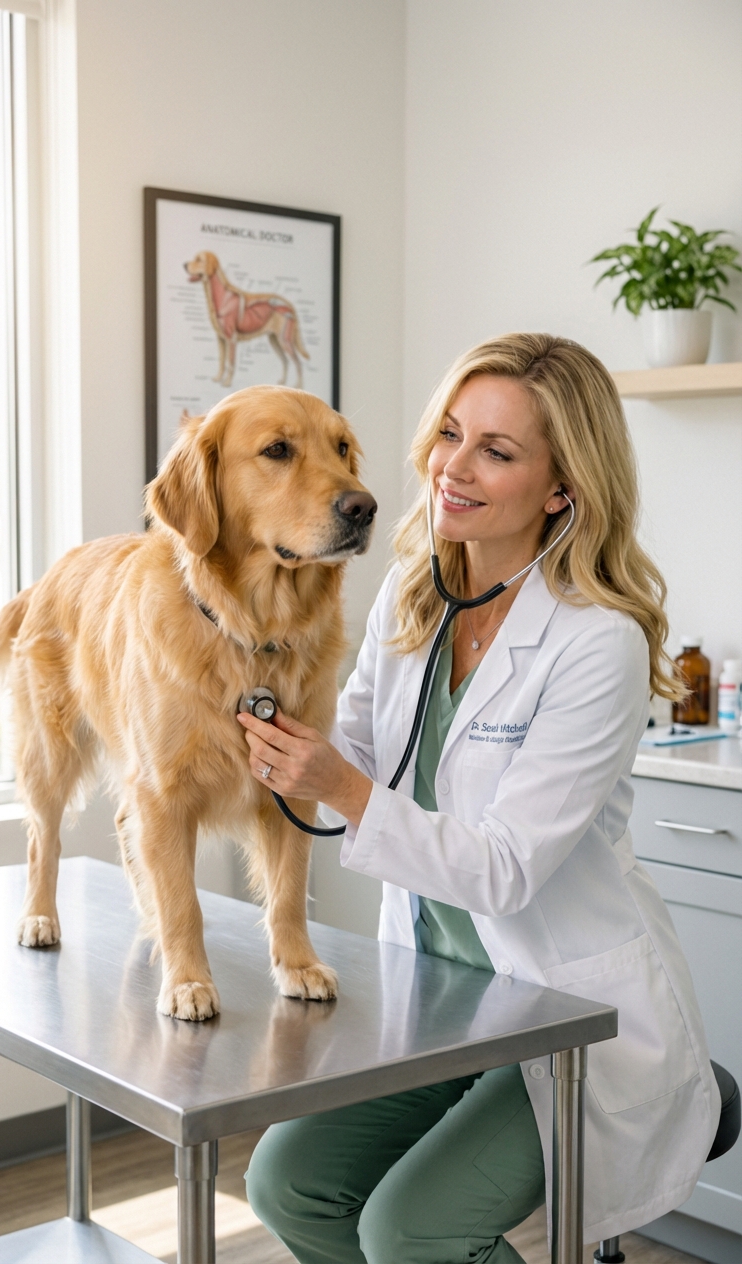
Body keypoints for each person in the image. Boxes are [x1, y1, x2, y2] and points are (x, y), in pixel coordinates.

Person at [236, 333, 719, 1264]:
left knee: (410, 1231)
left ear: (562, 487)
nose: (452, 468)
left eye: (496, 451)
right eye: (450, 434)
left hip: (563, 1013)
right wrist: (259, 710)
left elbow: (501, 871)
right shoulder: (412, 597)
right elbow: (360, 764)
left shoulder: (595, 642)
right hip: (442, 998)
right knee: (287, 1183)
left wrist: (333, 780)